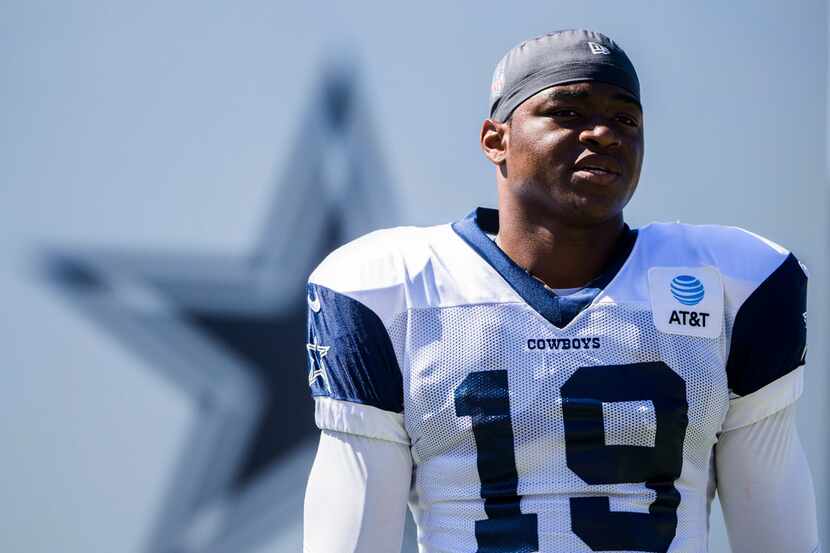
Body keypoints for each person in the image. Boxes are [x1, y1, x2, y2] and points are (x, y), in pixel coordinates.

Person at [302, 29, 820, 553]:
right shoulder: (392, 290)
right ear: (495, 139)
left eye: (626, 118)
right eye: (567, 112)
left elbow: (776, 531)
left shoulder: (735, 283)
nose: (604, 134)